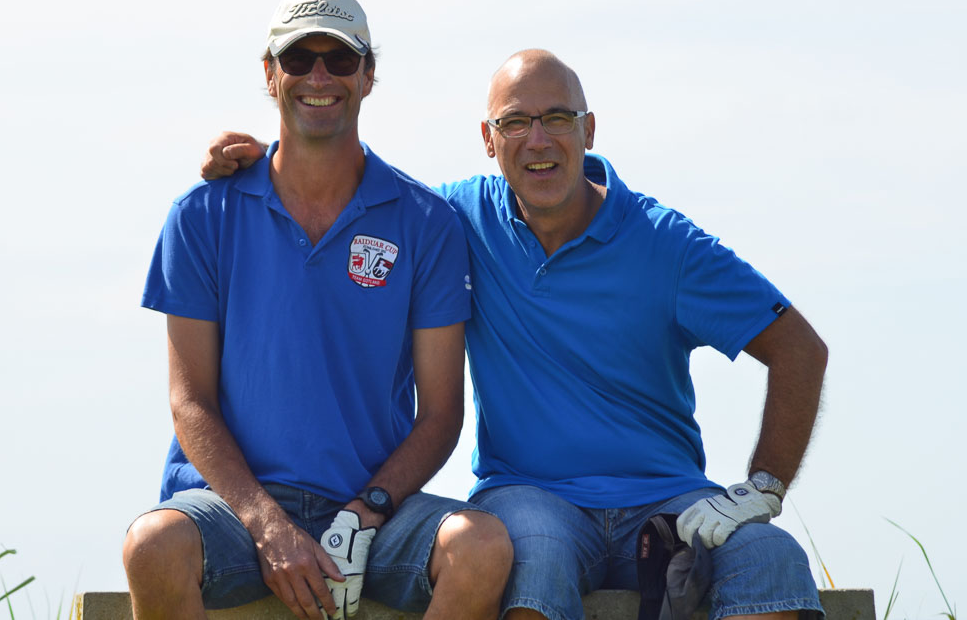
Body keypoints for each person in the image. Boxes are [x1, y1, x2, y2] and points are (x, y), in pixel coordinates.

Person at [202, 49, 829, 620]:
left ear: (588, 130)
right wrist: (275, 162)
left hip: (667, 498)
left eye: (557, 118)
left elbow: (799, 349)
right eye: (515, 122)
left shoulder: (667, 243)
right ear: (488, 139)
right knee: (537, 556)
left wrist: (764, 487)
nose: (538, 140)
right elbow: (353, 200)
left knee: (769, 558)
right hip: (529, 496)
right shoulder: (452, 220)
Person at [122, 0, 512, 620]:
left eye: (341, 59)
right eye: (299, 60)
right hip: (233, 508)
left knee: (483, 547)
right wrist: (266, 525)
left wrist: (366, 513)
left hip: (374, 514)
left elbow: (441, 415)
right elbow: (189, 401)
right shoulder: (201, 214)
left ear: (368, 75)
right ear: (270, 74)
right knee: (152, 546)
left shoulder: (426, 222)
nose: (320, 77)